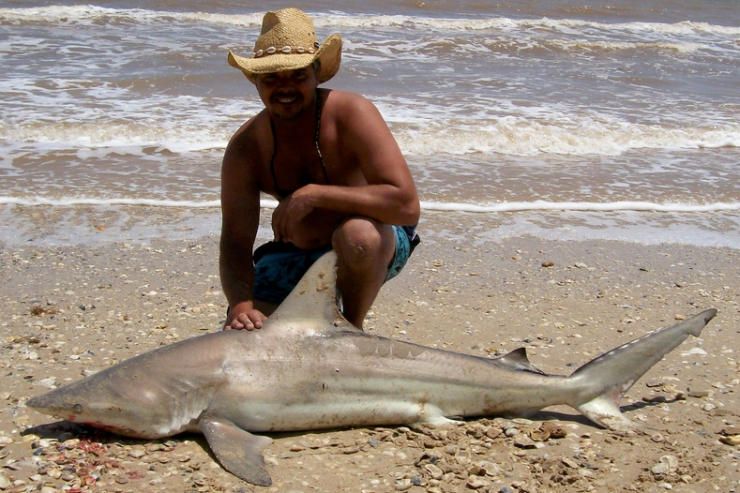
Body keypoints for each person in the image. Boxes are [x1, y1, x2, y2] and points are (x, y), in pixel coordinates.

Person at [220, 8, 420, 330]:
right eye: (272, 77)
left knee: (358, 236)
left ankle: (350, 330)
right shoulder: (246, 148)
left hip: (375, 245)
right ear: (255, 81)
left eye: (297, 75)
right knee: (247, 341)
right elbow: (234, 242)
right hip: (295, 255)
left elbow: (406, 206)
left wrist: (315, 195)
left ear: (316, 72)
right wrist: (240, 307)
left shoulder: (351, 114)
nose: (285, 87)